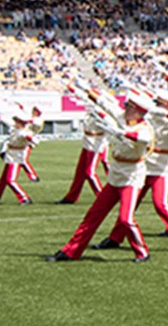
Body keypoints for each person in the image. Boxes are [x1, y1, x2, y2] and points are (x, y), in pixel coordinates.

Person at [49, 89, 155, 263]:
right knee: (93, 215)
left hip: (132, 176)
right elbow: (105, 104)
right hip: (116, 174)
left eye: (129, 106)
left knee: (126, 219)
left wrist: (122, 133)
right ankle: (70, 251)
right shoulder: (122, 117)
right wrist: (84, 92)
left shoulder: (144, 128)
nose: (125, 108)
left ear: (138, 111)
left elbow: (144, 139)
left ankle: (142, 251)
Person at [102, 88, 168, 251]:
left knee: (160, 203)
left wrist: (165, 114)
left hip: (161, 167)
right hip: (142, 166)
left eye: (160, 104)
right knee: (130, 205)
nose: (155, 107)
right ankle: (115, 237)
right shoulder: (150, 118)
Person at [58, 88, 109, 204]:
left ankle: (103, 197)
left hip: (96, 144)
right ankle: (71, 196)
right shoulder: (92, 109)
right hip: (87, 142)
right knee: (80, 173)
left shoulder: (102, 112)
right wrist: (73, 88)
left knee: (89, 172)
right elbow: (83, 98)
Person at [0, 112, 37, 204]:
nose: (15, 122)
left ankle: (24, 198)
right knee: (3, 181)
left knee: (10, 180)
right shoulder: (16, 128)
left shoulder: (24, 132)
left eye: (17, 121)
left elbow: (34, 140)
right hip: (10, 156)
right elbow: (7, 122)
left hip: (16, 157)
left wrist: (28, 138)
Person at [21, 106, 45, 183]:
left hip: (28, 142)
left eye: (35, 110)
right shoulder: (31, 118)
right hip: (22, 141)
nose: (33, 111)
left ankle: (34, 177)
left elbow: (36, 123)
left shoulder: (39, 120)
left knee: (23, 160)